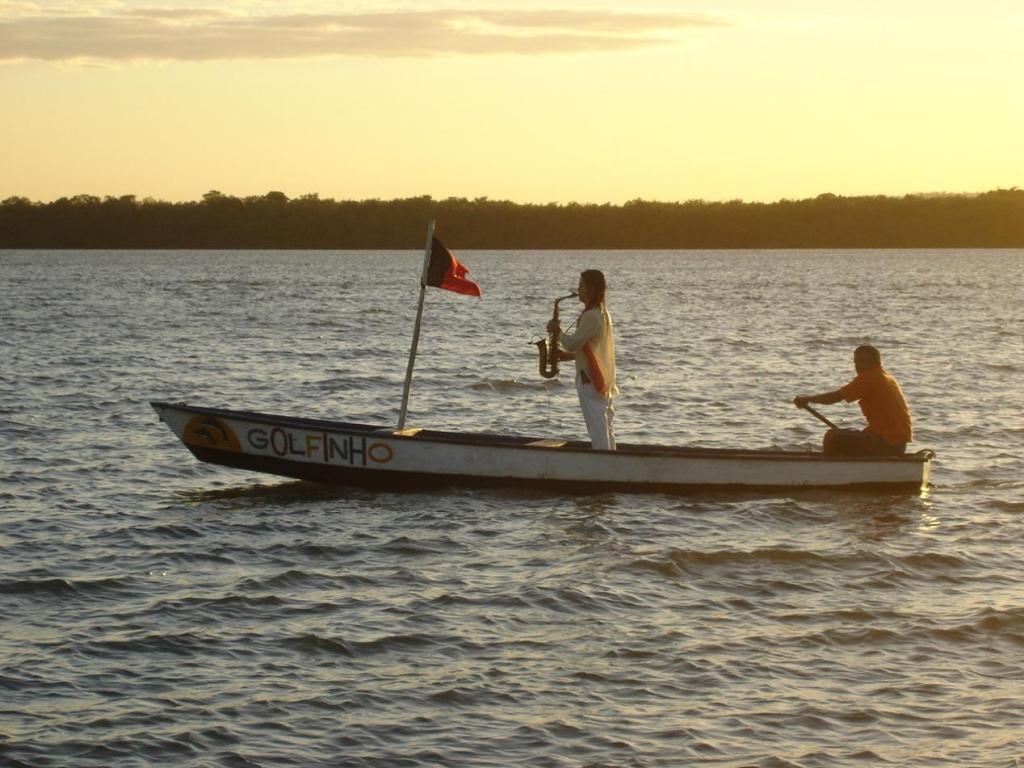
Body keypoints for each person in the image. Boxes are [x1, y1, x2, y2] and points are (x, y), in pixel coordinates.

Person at [793, 345, 912, 456]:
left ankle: (827, 467)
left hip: (888, 444)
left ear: (875, 362)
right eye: (855, 362)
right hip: (896, 444)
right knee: (847, 436)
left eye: (861, 361)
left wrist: (807, 399)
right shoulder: (885, 377)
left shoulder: (870, 377)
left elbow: (835, 397)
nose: (857, 366)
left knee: (832, 436)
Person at [547, 269, 618, 450]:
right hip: (602, 379)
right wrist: (570, 356)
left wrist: (557, 331)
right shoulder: (603, 313)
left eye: (581, 286)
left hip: (590, 380)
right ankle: (611, 461)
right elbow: (593, 348)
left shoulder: (590, 316)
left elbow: (572, 344)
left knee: (598, 430)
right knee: (605, 428)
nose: (578, 289)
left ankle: (603, 463)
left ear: (591, 289)